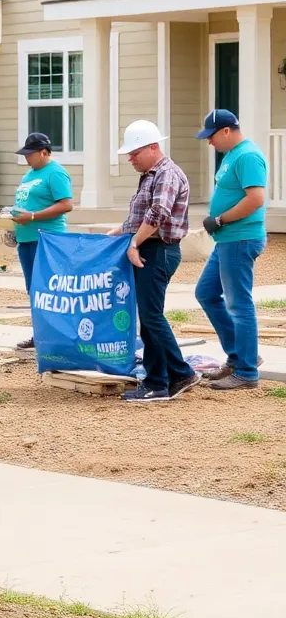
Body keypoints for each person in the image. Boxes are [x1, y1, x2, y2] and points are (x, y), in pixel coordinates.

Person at [111, 120, 198, 402]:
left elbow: (158, 214)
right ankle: (158, 380)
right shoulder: (151, 175)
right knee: (149, 318)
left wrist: (134, 243)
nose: (130, 158)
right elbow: (141, 216)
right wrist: (120, 232)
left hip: (158, 250)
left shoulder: (166, 174)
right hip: (151, 247)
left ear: (153, 147)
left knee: (151, 317)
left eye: (135, 152)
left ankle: (180, 373)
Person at [195, 110, 267, 391]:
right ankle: (239, 356)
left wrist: (221, 219)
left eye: (211, 136)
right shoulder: (232, 155)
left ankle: (247, 372)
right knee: (206, 293)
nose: (209, 142)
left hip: (240, 238)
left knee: (239, 304)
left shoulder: (247, 156)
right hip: (227, 239)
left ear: (226, 130)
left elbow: (256, 199)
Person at [11, 132, 73, 351]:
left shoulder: (55, 173)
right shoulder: (29, 174)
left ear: (44, 152)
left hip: (46, 239)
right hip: (27, 239)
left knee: (49, 288)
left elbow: (66, 204)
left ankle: (57, 336)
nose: (27, 158)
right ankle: (40, 334)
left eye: (30, 154)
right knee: (34, 288)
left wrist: (33, 217)